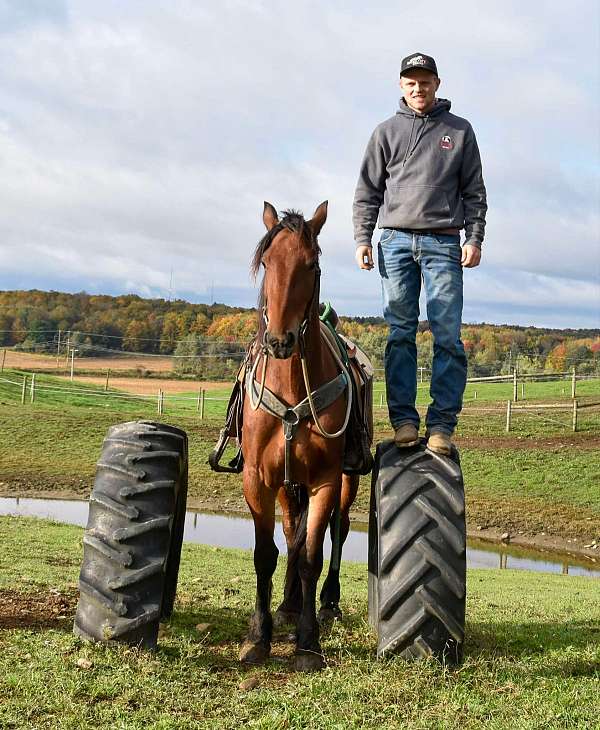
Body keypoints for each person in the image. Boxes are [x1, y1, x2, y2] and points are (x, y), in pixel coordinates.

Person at [353, 52, 487, 455]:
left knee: (447, 336)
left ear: (437, 84)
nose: (418, 88)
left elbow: (474, 192)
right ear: (401, 86)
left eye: (425, 81)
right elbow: (367, 191)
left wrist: (474, 237)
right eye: (410, 82)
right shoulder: (385, 132)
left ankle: (442, 425)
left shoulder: (459, 131)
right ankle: (405, 421)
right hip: (393, 242)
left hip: (444, 242)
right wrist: (362, 238)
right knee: (400, 335)